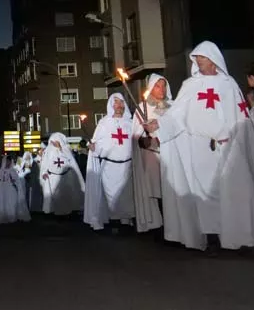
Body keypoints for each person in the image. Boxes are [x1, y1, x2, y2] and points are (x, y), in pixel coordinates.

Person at [144, 41, 254, 253]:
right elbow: (176, 115)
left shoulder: (229, 85)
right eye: (196, 60)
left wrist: (243, 143)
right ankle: (212, 238)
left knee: (235, 194)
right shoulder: (190, 86)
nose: (198, 63)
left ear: (213, 60)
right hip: (200, 149)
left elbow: (241, 117)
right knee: (206, 196)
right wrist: (158, 124)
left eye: (201, 59)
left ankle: (240, 237)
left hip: (228, 149)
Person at [130, 73, 173, 234]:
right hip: (152, 157)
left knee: (172, 190)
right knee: (157, 191)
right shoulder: (142, 108)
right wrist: (143, 139)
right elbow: (136, 134)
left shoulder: (172, 106)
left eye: (164, 85)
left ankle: (173, 226)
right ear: (151, 88)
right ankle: (160, 226)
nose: (161, 89)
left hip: (170, 155)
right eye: (157, 86)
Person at [89, 93, 134, 230]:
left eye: (121, 102)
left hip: (127, 166)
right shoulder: (104, 123)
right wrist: (94, 148)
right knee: (112, 196)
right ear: (111, 105)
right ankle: (113, 222)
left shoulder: (131, 123)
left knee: (127, 196)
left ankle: (126, 222)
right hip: (110, 167)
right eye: (116, 102)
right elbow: (97, 143)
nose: (119, 105)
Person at [40, 133, 85, 215]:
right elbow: (45, 163)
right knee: (54, 196)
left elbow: (70, 162)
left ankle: (66, 214)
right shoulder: (48, 150)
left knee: (65, 196)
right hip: (52, 176)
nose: (54, 143)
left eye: (56, 141)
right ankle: (55, 213)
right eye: (53, 141)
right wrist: (44, 172)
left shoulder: (66, 150)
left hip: (65, 177)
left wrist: (60, 149)